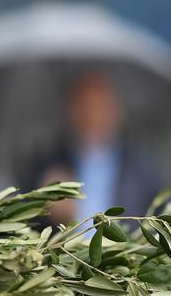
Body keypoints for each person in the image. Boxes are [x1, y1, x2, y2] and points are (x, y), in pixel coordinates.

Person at [32, 72, 162, 224]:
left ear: (116, 111)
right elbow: (25, 226)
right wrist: (43, 202)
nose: (92, 116)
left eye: (100, 106)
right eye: (84, 107)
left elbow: (162, 220)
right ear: (69, 112)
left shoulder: (142, 169)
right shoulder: (47, 166)